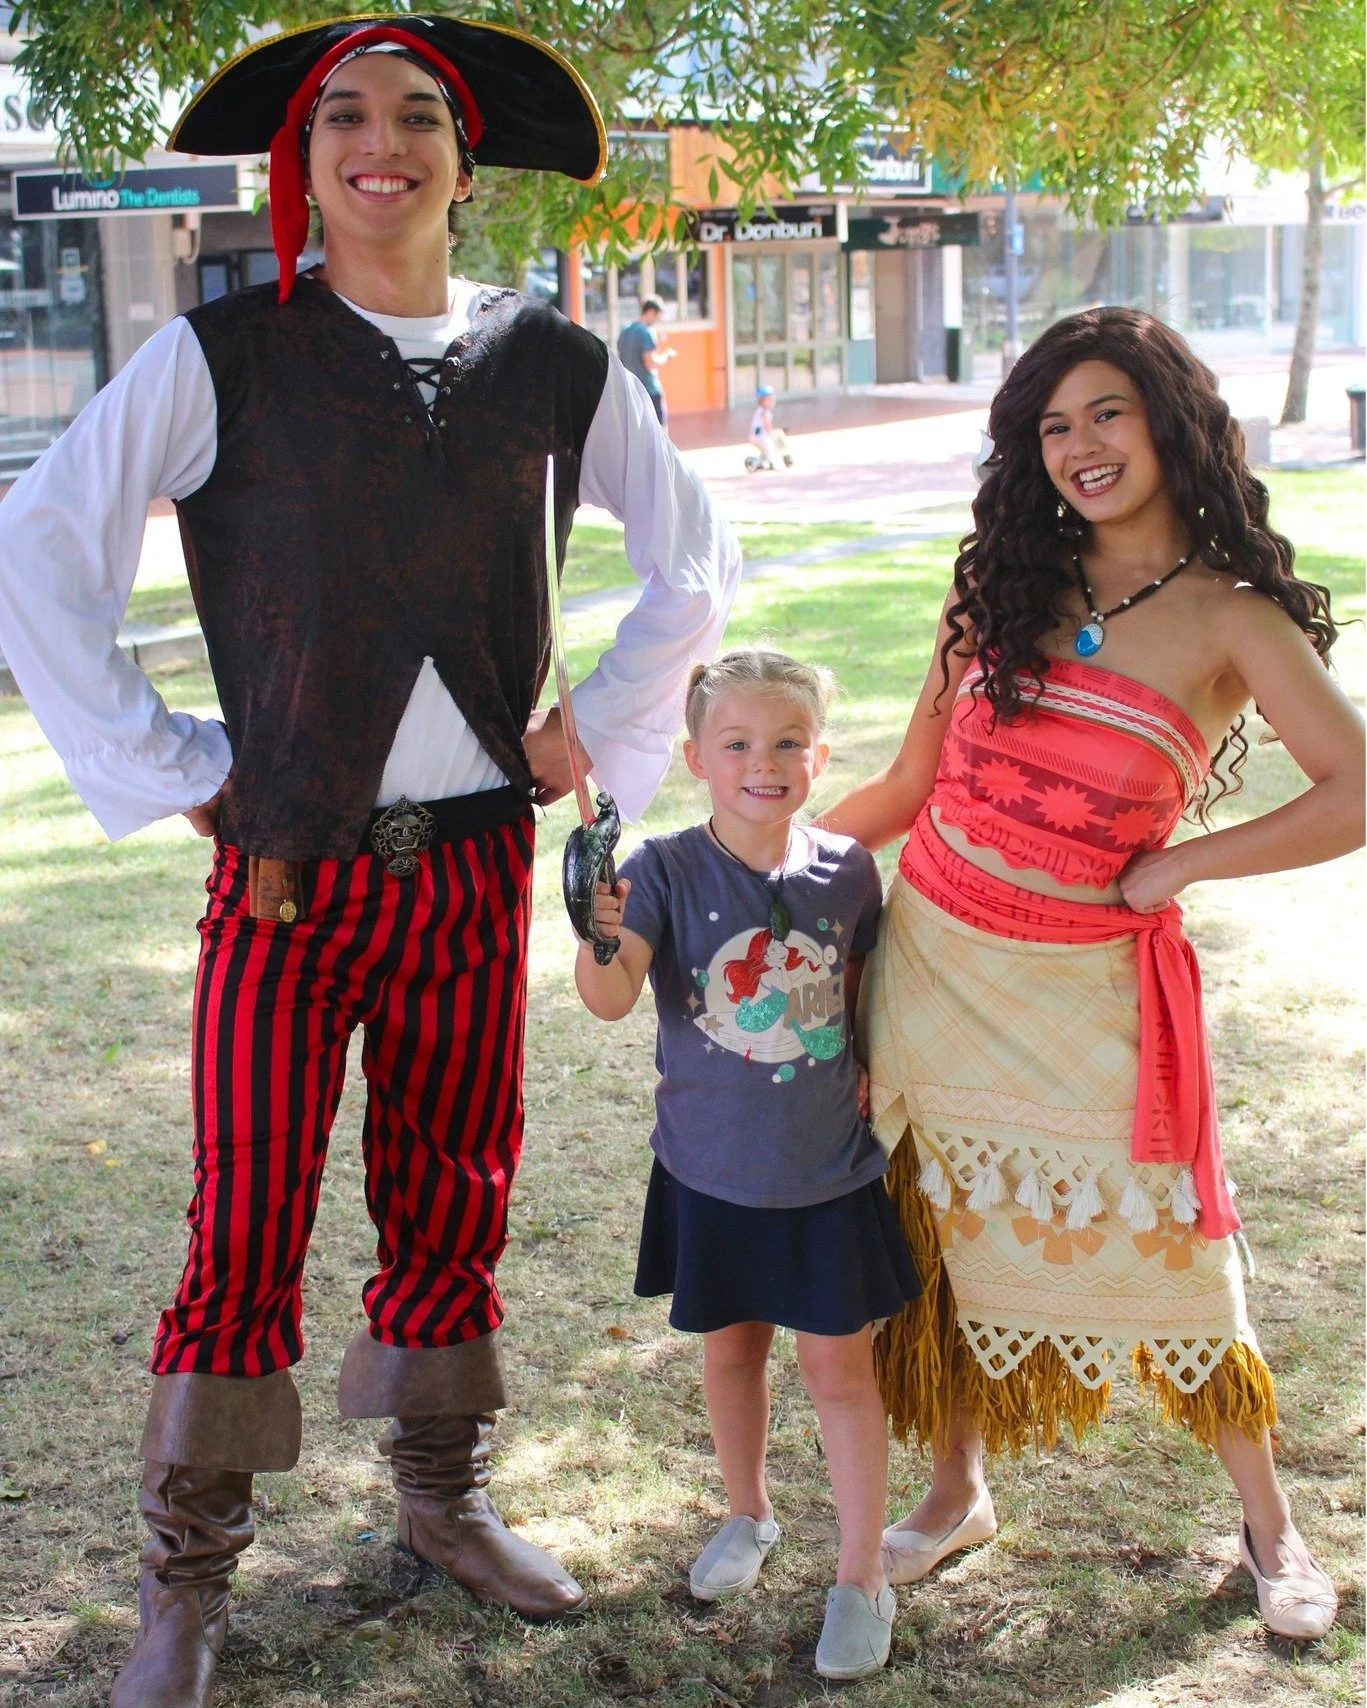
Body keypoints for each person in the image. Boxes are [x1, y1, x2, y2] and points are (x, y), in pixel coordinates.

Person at [0, 17, 740, 1707]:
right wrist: (178, 760)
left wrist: (601, 732)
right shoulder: (225, 357)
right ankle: (182, 1577)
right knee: (244, 1216)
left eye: (415, 117)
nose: (377, 141)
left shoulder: (553, 360)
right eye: (344, 115)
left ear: (463, 168)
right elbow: (37, 548)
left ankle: (441, 1498)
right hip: (288, 881)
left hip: (472, 870)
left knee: (451, 1190)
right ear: (306, 157)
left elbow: (690, 555)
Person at [820, 308, 1363, 1641]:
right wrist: (735, 863)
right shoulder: (998, 585)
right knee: (935, 1242)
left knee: (1180, 1254)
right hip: (929, 968)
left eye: (1105, 412)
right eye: (1052, 425)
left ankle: (1267, 1526)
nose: (1079, 447)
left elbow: (1351, 791)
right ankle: (955, 1492)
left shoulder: (1230, 620)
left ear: (1168, 420)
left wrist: (1183, 868)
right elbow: (903, 789)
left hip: (1086, 993)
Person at [573, 648, 920, 1681]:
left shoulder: (847, 869)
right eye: (735, 743)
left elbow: (860, 988)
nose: (760, 762)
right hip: (709, 1173)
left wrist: (865, 1061)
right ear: (694, 757)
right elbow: (608, 998)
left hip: (825, 1178)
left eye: (784, 743)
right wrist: (595, 932)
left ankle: (860, 1575)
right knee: (730, 1354)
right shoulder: (664, 871)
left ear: (817, 756)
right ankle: (747, 1512)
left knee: (838, 1374)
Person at [616, 293, 675, 428]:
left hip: (630, 390)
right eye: (658, 315)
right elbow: (651, 363)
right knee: (660, 431)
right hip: (649, 389)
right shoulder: (647, 332)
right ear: (651, 312)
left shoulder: (625, 330)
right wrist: (666, 355)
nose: (658, 319)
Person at [747, 384, 792, 471]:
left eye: (773, 400)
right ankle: (772, 464)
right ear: (762, 401)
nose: (772, 402)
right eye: (770, 400)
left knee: (764, 453)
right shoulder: (765, 412)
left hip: (755, 436)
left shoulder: (760, 410)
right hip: (760, 437)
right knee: (770, 448)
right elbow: (767, 425)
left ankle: (756, 462)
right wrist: (772, 433)